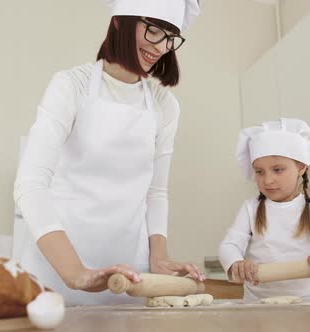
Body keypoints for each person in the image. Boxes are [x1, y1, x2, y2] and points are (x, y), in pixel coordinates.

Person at [13, 0, 203, 305]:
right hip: (55, 276)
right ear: (118, 22)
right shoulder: (70, 86)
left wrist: (160, 260)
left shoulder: (164, 105)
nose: (161, 47)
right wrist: (77, 273)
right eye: (154, 30)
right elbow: (31, 184)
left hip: (127, 277)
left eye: (170, 37)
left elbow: (156, 193)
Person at [218, 118, 310, 301]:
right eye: (259, 171)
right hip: (257, 303)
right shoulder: (251, 208)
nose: (267, 180)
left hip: (308, 302)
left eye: (277, 170)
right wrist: (236, 263)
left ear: (301, 167)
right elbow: (229, 245)